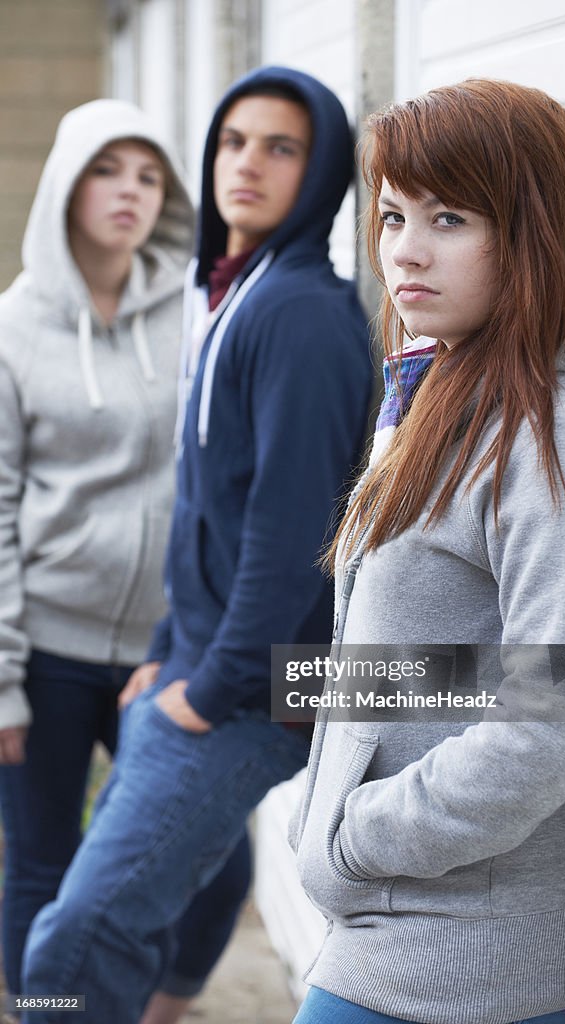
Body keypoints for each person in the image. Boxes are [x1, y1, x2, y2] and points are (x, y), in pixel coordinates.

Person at [21, 66, 372, 1023]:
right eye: (232, 141)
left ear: (323, 170)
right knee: (132, 901)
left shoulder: (299, 314)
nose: (246, 163)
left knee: (70, 946)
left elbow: (289, 534)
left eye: (280, 146)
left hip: (252, 688)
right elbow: (205, 515)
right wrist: (167, 651)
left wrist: (206, 687)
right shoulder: (234, 293)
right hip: (193, 664)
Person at [289, 80, 565, 1024]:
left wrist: (359, 835)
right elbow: (430, 664)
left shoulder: (554, 434)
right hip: (396, 932)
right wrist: (323, 807)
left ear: (531, 232)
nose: (403, 248)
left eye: (448, 217)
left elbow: (557, 716)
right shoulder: (439, 390)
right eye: (394, 213)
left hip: (468, 968)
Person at [0, 99, 195, 1003]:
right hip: (46, 651)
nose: (130, 193)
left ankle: (155, 1011)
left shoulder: (194, 313)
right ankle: (45, 1016)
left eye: (148, 175)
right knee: (42, 865)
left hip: (161, 655)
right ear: (67, 187)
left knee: (188, 861)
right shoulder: (13, 328)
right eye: (109, 171)